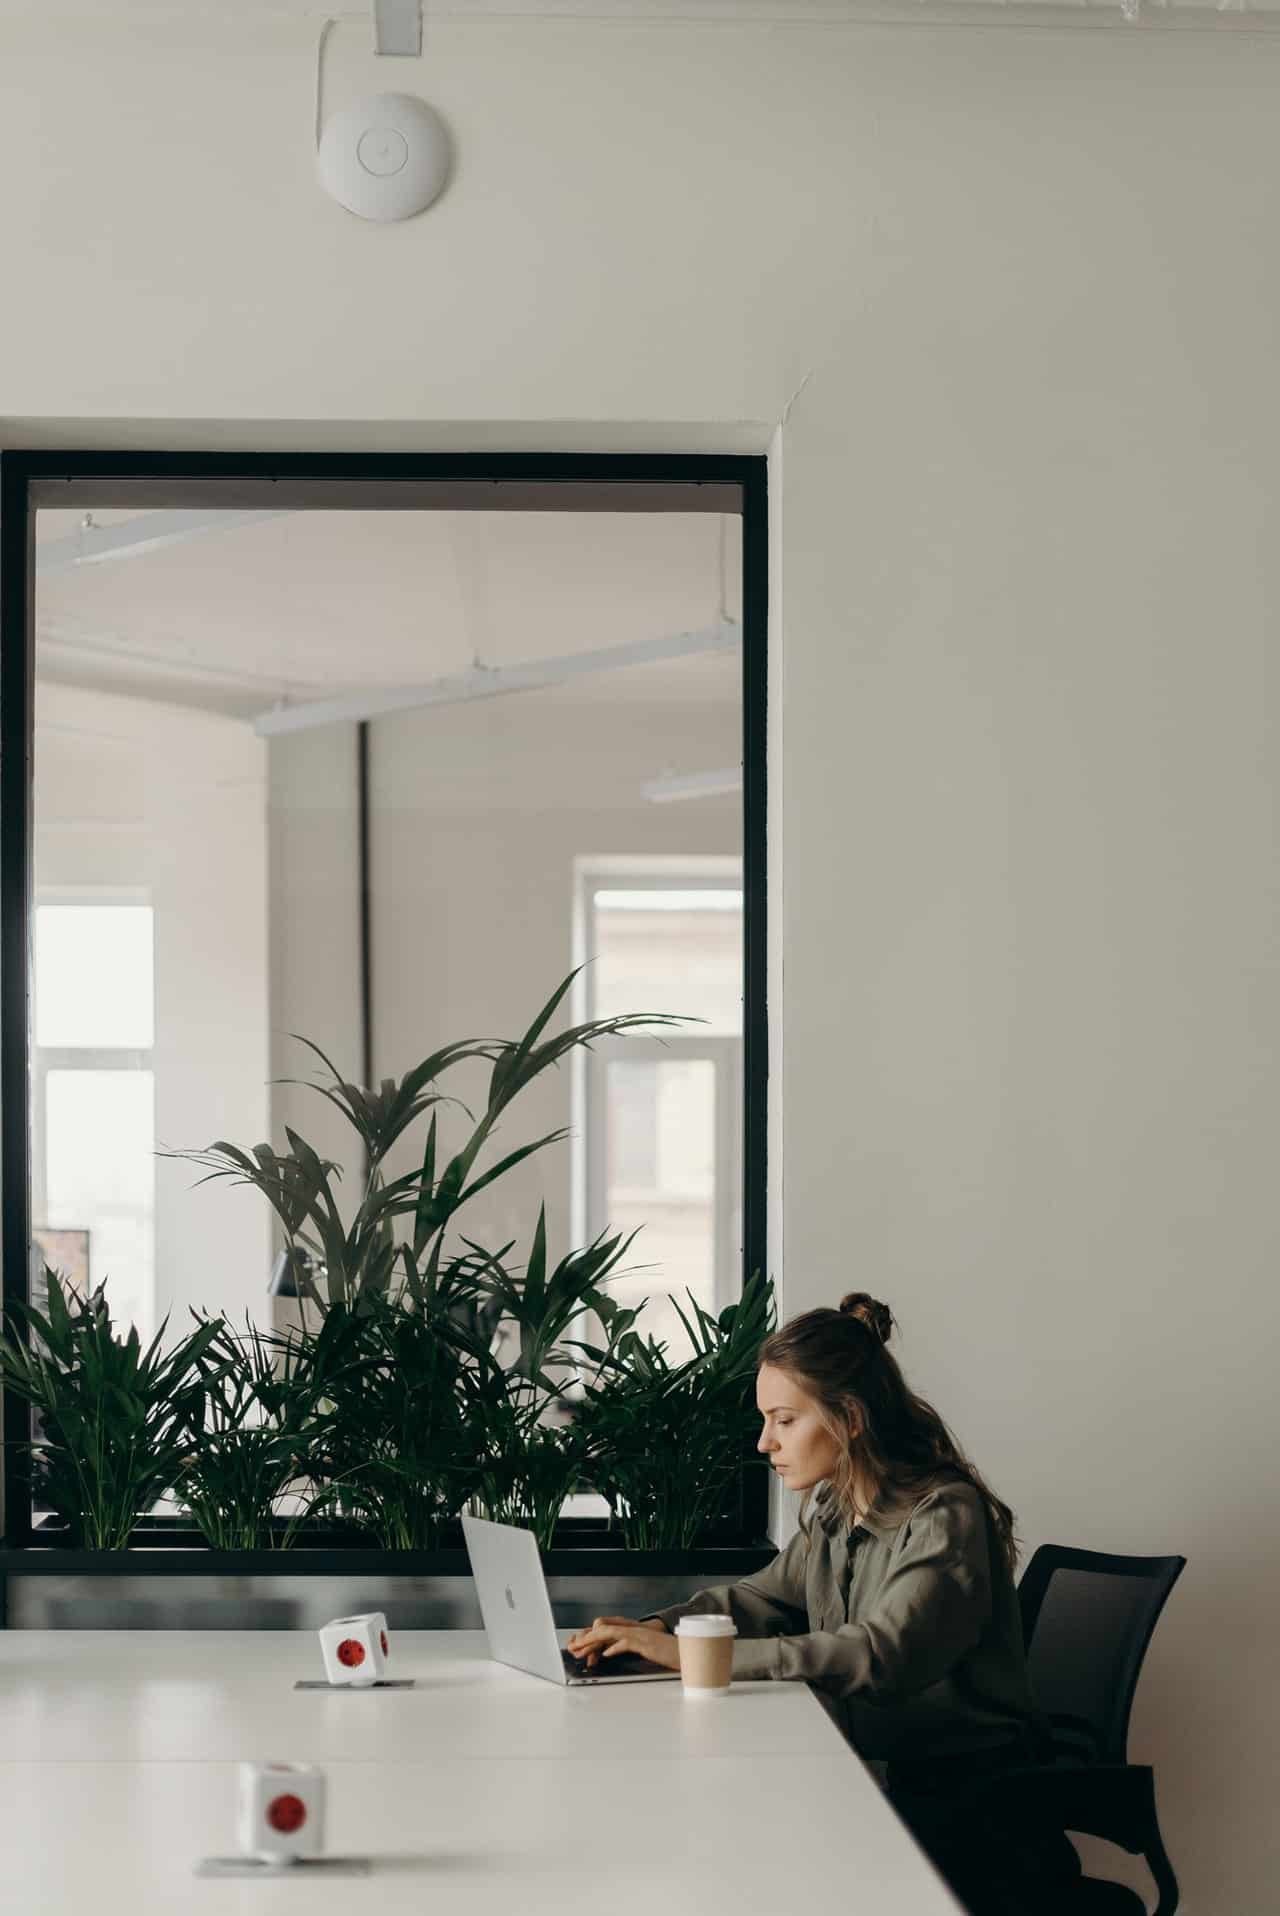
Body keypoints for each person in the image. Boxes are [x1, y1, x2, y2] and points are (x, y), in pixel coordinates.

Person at [566, 1293, 1114, 1916]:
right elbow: (760, 1596)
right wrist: (653, 1629)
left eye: (784, 1420)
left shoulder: (943, 1515)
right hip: (888, 1780)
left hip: (974, 1814)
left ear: (849, 1418)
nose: (764, 1442)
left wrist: (694, 1655)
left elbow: (881, 1655)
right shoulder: (837, 1505)